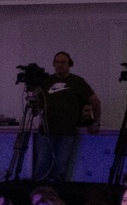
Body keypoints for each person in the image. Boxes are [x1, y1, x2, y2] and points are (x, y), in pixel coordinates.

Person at [35, 52, 97, 184]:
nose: (59, 65)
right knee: (42, 164)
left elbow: (95, 101)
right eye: (57, 62)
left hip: (67, 132)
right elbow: (37, 104)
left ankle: (58, 193)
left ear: (70, 64)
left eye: (63, 62)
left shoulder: (77, 82)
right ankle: (39, 191)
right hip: (46, 132)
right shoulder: (46, 81)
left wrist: (96, 122)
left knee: (61, 167)